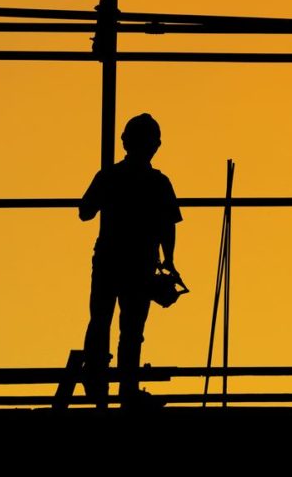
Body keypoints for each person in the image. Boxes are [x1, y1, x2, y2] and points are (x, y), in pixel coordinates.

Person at [79, 113, 182, 408]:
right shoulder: (159, 182)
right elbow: (168, 226)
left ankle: (96, 385)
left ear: (125, 142)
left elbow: (85, 212)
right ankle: (127, 388)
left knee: (100, 319)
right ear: (155, 145)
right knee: (132, 328)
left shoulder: (109, 176)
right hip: (140, 262)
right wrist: (169, 260)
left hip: (110, 257)